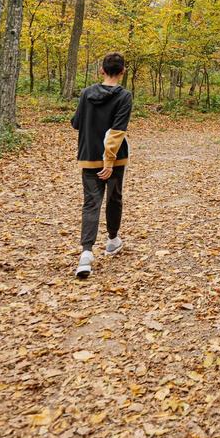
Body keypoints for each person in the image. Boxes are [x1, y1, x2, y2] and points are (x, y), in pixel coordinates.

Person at [70, 52, 133, 279]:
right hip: (114, 159)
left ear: (102, 71)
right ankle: (112, 240)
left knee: (91, 203)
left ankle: (86, 254)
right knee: (114, 197)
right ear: (123, 71)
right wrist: (108, 161)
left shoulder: (86, 93)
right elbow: (117, 130)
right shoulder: (124, 96)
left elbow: (76, 123)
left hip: (88, 156)